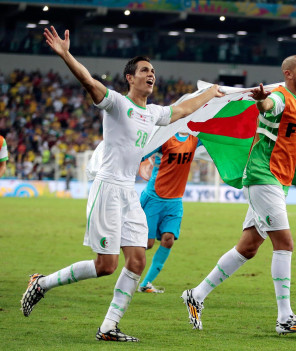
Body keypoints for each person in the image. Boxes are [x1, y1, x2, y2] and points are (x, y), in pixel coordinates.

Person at [20, 26, 224, 342]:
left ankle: (108, 327)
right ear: (130, 78)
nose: (151, 74)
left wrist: (211, 92)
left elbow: (183, 109)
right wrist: (65, 54)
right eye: (145, 70)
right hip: (107, 187)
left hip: (129, 191)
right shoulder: (116, 102)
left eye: (153, 71)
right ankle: (41, 283)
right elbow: (88, 80)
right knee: (105, 266)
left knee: (138, 259)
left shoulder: (154, 113)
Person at [181, 55, 296, 334]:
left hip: (278, 180)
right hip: (264, 176)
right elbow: (268, 106)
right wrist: (261, 99)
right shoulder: (278, 97)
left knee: (248, 247)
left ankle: (196, 295)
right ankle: (285, 317)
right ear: (288, 74)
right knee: (284, 243)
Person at [137, 132, 201, 293]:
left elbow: (219, 137)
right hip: (154, 198)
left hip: (175, 201)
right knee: (148, 244)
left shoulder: (195, 139)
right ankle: (118, 251)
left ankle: (146, 283)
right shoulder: (164, 138)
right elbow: (141, 153)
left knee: (168, 240)